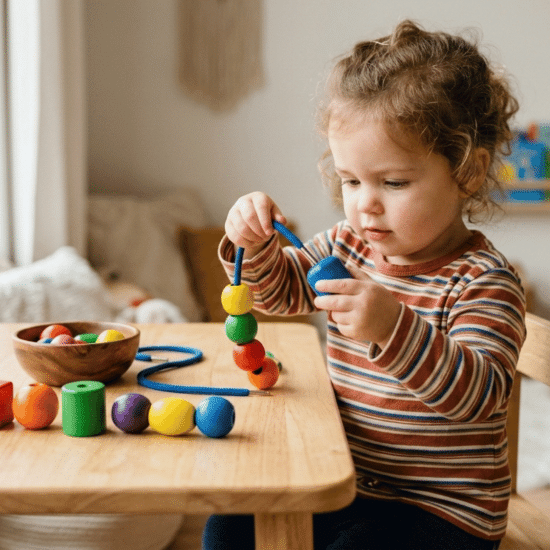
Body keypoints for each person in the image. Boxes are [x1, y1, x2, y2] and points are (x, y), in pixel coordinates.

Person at [205, 19, 526, 550]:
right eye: (352, 180)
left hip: (444, 513)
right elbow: (280, 293)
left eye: (393, 183)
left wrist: (393, 328)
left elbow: (478, 396)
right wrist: (254, 243)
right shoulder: (348, 246)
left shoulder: (482, 282)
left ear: (468, 172)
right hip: (351, 484)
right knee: (231, 525)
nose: (365, 203)